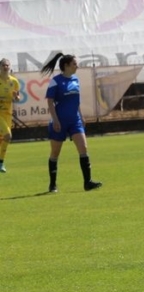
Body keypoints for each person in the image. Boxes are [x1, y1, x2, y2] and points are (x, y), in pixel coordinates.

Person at [41, 53, 102, 192]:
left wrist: (81, 116)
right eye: (74, 64)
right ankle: (53, 185)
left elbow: (76, 101)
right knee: (55, 153)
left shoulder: (76, 79)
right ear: (66, 66)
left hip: (75, 121)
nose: (77, 66)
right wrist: (55, 120)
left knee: (83, 148)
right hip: (60, 121)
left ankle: (87, 182)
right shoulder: (56, 81)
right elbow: (50, 102)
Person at [0, 58, 21, 173]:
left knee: (3, 139)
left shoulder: (14, 81)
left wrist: (16, 98)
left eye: (7, 65)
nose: (6, 67)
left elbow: (17, 97)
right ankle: (1, 163)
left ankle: (1, 162)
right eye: (3, 65)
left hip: (7, 113)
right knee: (8, 135)